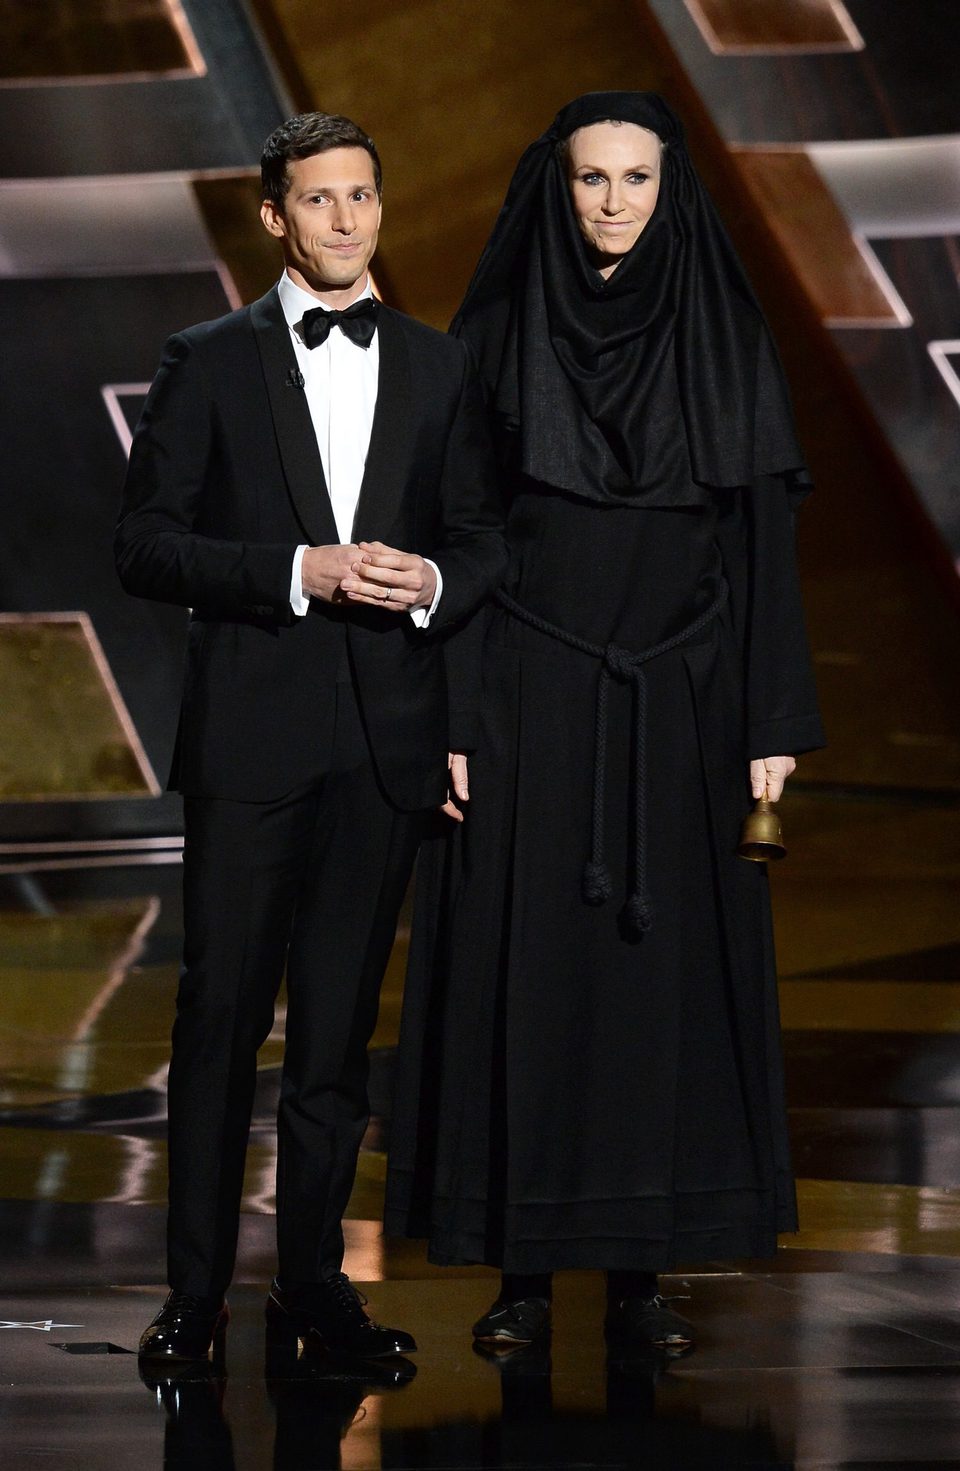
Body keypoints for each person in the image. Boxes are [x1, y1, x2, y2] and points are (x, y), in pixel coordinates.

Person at [385, 92, 825, 1354]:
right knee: (526, 979)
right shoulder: (503, 329)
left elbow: (760, 545)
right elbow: (461, 540)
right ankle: (522, 1269)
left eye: (638, 177)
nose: (615, 200)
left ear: (670, 189)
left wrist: (771, 714)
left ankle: (639, 1273)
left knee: (657, 991)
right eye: (592, 178)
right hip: (529, 693)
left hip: (685, 705)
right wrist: (456, 712)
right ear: (557, 187)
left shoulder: (723, 338)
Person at [115, 111, 505, 1362]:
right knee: (221, 1018)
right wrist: (301, 569)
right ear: (275, 219)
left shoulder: (444, 367)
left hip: (384, 744)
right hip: (250, 746)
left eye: (363, 197)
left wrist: (432, 584)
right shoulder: (207, 360)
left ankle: (313, 1288)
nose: (347, 220)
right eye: (320, 201)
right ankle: (193, 1300)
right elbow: (146, 544)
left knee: (337, 1037)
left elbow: (489, 539)